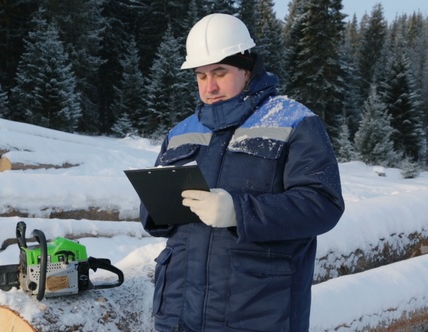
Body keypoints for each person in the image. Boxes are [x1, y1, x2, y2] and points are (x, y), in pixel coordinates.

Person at [140, 13, 345, 332]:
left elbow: (323, 204)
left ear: (247, 69)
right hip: (179, 313)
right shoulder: (181, 132)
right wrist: (157, 209)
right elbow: (154, 211)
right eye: (201, 75)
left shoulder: (294, 122)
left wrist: (239, 211)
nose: (210, 87)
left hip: (257, 314)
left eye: (220, 72)